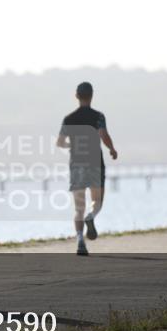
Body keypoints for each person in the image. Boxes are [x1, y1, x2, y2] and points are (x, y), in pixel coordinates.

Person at [56, 81, 118, 256]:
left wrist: (72, 145)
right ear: (91, 96)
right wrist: (112, 149)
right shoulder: (98, 116)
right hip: (95, 163)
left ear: (76, 96)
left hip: (76, 165)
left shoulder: (69, 119)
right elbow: (103, 135)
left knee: (78, 208)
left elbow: (60, 142)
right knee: (97, 202)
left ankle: (80, 241)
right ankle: (91, 217)